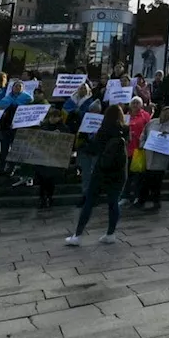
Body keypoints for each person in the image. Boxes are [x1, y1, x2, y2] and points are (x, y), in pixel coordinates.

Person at [66, 104, 129, 246]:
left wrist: (84, 145)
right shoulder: (125, 129)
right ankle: (110, 233)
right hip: (119, 171)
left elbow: (94, 149)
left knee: (89, 201)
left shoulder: (103, 130)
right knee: (113, 202)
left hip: (102, 170)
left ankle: (78, 235)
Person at [137, 106, 169, 210]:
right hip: (149, 154)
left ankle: (156, 202)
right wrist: (142, 144)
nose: (166, 115)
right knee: (145, 180)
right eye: (165, 113)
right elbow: (144, 134)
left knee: (157, 181)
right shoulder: (152, 122)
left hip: (161, 156)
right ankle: (141, 201)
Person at [33, 106, 72, 209]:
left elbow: (67, 142)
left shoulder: (64, 128)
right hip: (42, 158)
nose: (53, 119)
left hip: (54, 158)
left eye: (55, 117)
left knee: (50, 180)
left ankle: (49, 197)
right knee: (42, 180)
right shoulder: (44, 127)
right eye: (51, 117)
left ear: (60, 118)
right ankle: (42, 198)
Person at [0, 80, 31, 177]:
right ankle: (1, 168)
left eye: (20, 86)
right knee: (4, 150)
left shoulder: (28, 99)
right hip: (5, 127)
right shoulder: (6, 99)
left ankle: (11, 169)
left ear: (23, 88)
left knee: (14, 150)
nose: (18, 88)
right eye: (16, 86)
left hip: (18, 128)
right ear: (12, 87)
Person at [122, 96, 152, 204]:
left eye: (137, 103)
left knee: (139, 175)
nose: (135, 105)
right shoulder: (126, 117)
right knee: (127, 174)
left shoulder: (145, 115)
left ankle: (137, 196)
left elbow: (149, 130)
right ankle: (125, 196)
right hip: (127, 149)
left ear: (141, 104)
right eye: (133, 103)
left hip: (139, 149)